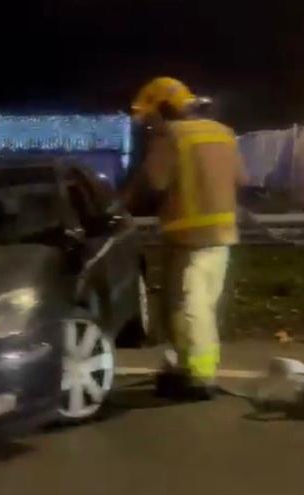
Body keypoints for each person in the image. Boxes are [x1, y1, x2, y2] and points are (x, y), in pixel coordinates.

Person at [129, 77, 247, 401]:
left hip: (188, 238)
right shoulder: (224, 132)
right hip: (223, 235)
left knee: (187, 307)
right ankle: (188, 368)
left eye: (149, 117)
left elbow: (153, 183)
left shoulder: (170, 135)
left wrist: (121, 204)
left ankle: (199, 377)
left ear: (165, 109)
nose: (147, 125)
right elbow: (241, 178)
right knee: (202, 306)